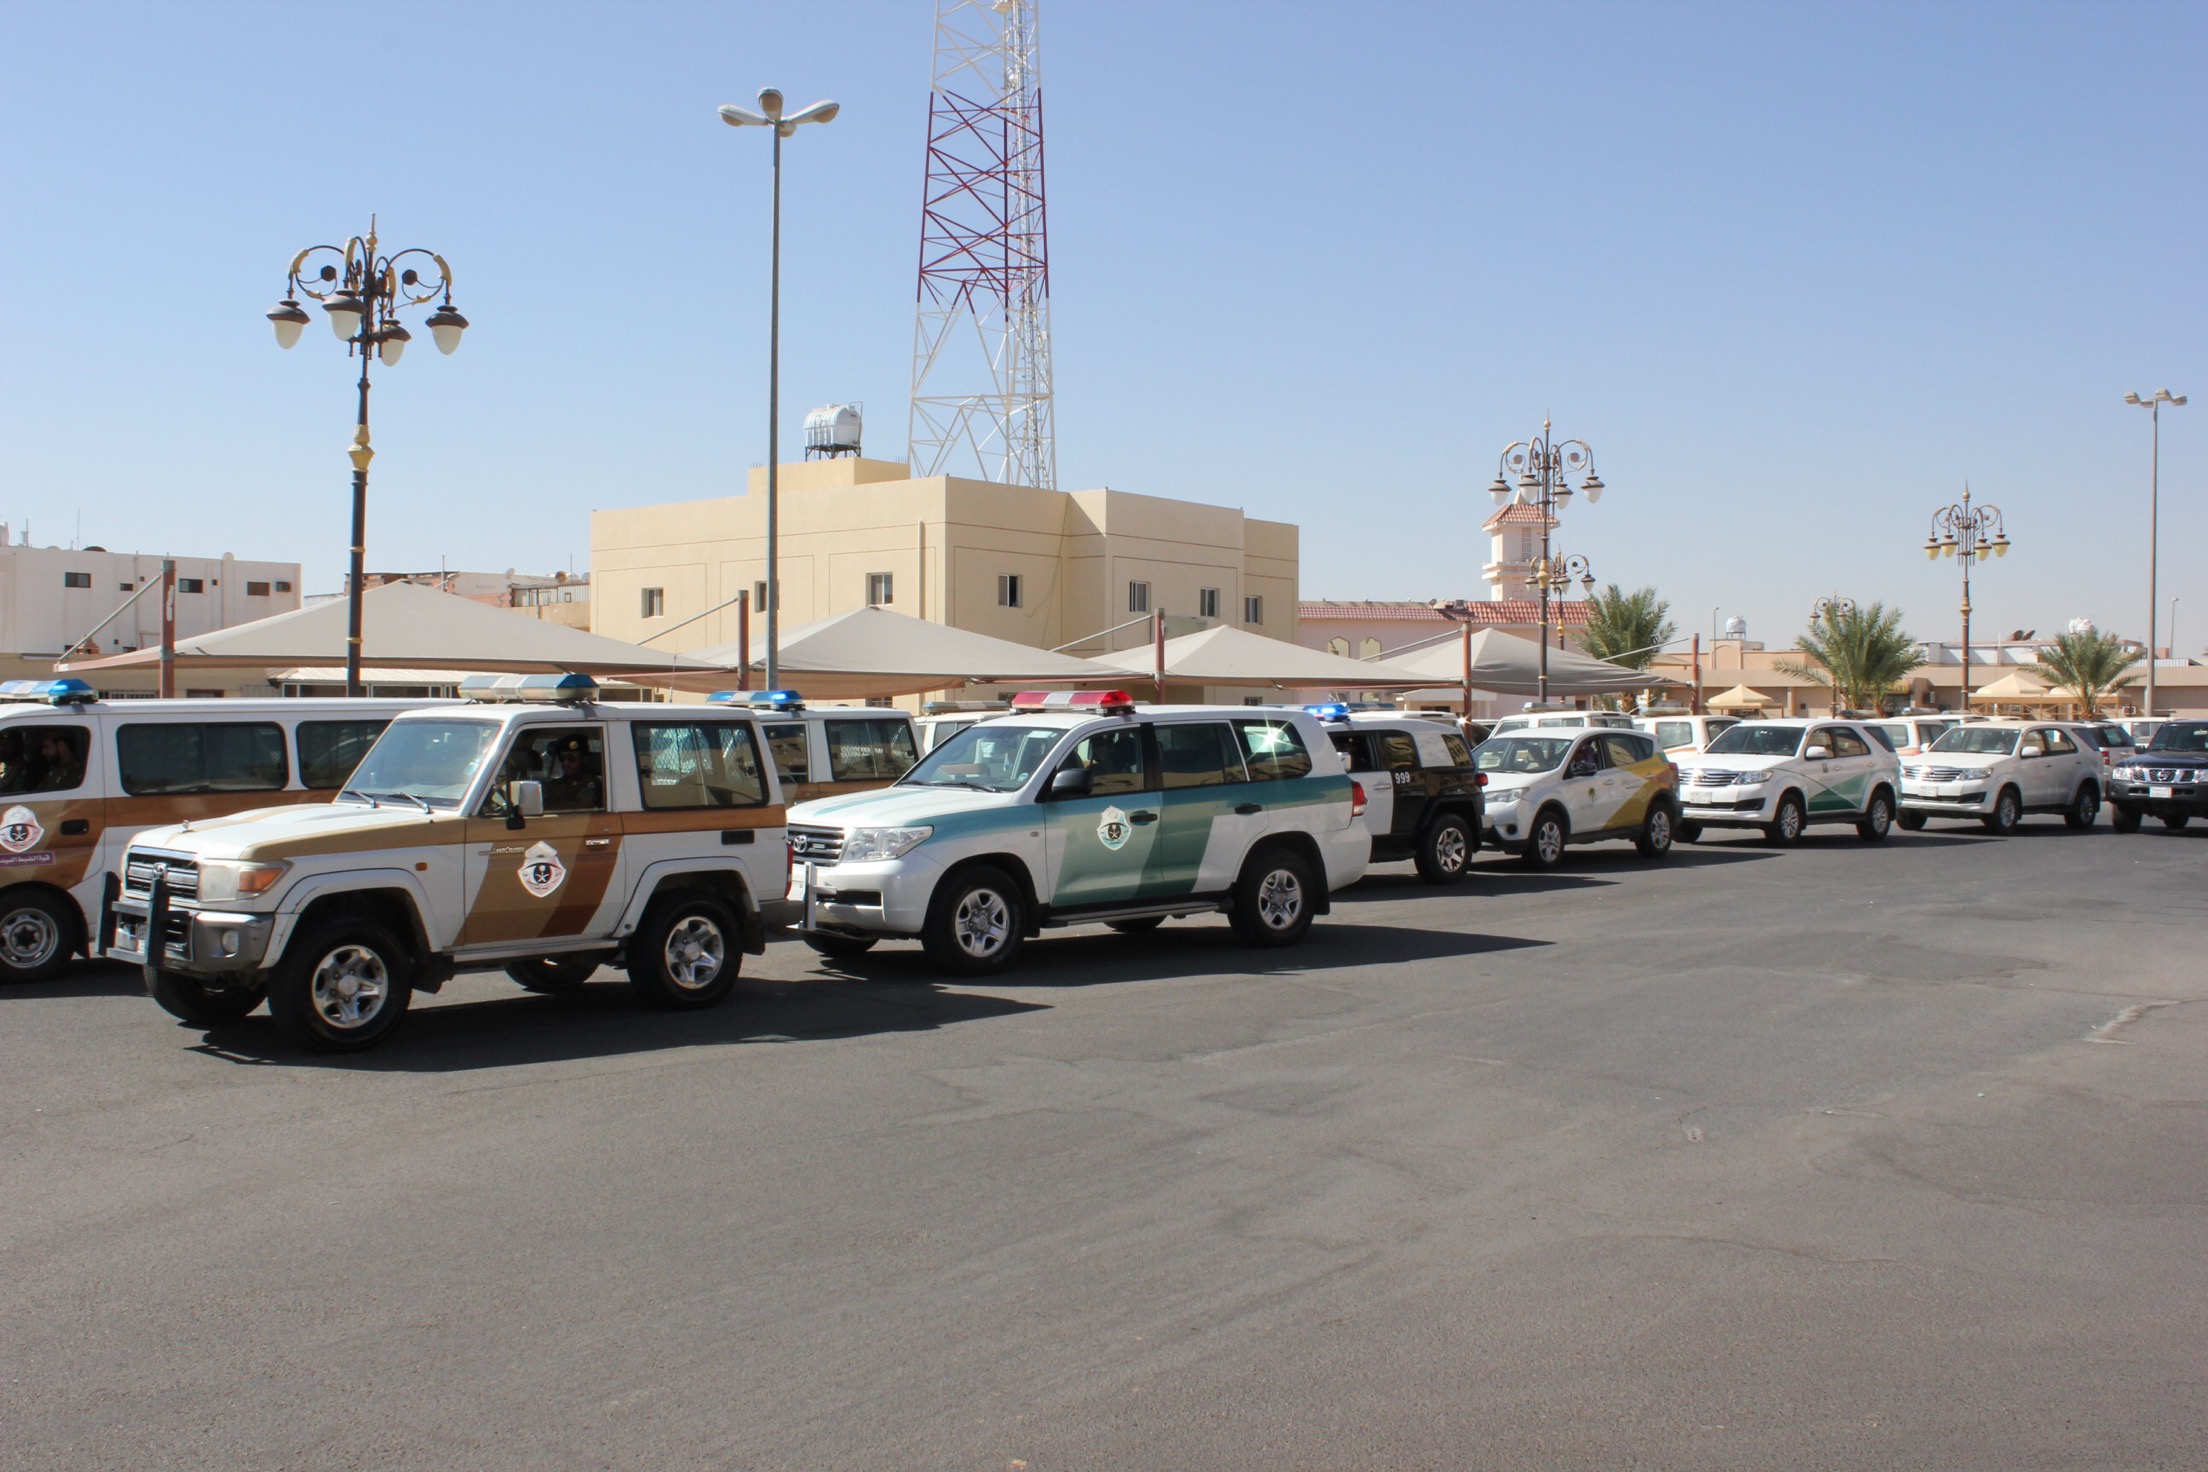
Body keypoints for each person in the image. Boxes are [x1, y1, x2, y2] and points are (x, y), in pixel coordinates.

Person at [542, 736, 602, 810]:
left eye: (572, 758)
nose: (565, 763)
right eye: (562, 758)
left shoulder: (592, 784)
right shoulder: (554, 784)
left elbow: (581, 807)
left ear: (584, 760)